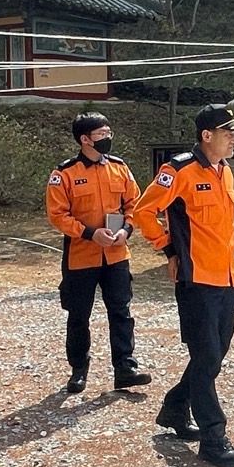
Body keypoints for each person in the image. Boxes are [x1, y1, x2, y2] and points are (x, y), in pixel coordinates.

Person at [133, 104, 234, 467]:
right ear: (207, 135)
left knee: (212, 356)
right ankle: (213, 438)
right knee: (207, 357)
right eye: (229, 132)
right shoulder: (179, 170)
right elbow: (142, 211)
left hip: (228, 278)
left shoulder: (224, 170)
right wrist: (168, 248)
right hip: (197, 281)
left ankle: (174, 407)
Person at [46, 113, 152, 395]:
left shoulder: (119, 168)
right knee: (78, 315)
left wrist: (127, 229)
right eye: (101, 134)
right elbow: (58, 215)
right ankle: (79, 369)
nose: (107, 138)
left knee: (121, 311)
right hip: (81, 256)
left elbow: (135, 204)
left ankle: (125, 368)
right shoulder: (64, 174)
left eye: (108, 132)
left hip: (116, 254)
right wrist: (89, 233)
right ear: (85, 139)